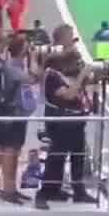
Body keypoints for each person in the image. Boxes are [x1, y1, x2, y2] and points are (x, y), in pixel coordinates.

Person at [39, 48, 94, 206]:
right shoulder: (52, 76)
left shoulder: (64, 76)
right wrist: (82, 75)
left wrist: (86, 78)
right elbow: (69, 94)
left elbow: (77, 90)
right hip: (62, 123)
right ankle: (48, 190)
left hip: (74, 121)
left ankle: (77, 191)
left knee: (78, 156)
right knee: (57, 157)